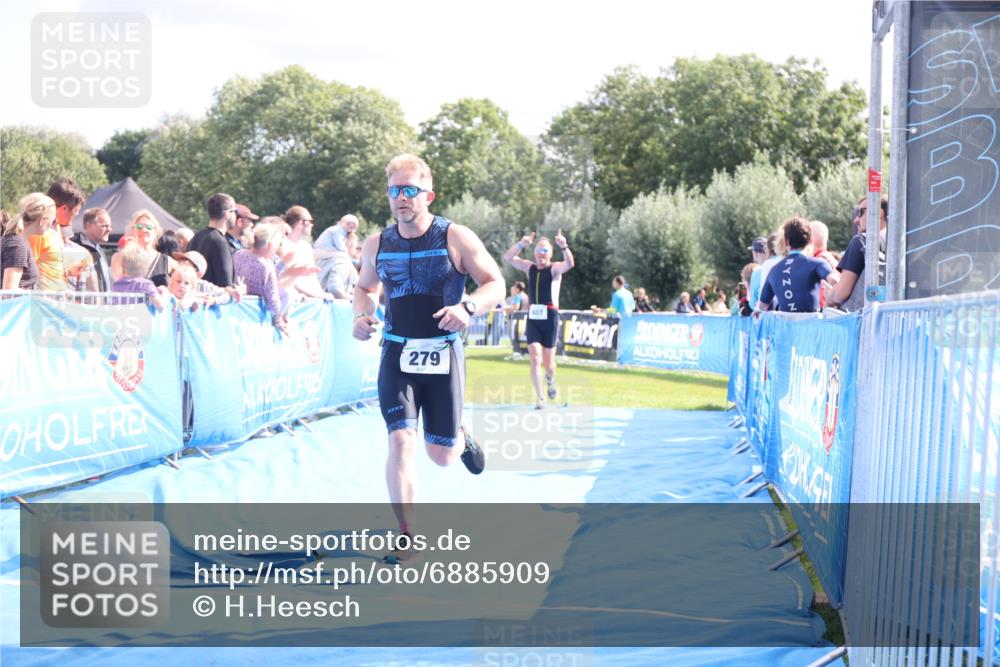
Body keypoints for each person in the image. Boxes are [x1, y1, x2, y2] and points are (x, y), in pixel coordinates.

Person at [352, 154, 504, 559]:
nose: (401, 198)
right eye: (394, 190)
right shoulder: (376, 243)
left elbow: (496, 283)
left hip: (443, 354)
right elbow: (364, 288)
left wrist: (468, 308)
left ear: (428, 195)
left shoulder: (455, 237)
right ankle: (407, 536)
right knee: (401, 442)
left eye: (409, 190)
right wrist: (361, 316)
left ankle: (460, 433)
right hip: (396, 354)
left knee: (441, 456)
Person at [503, 229, 574, 409]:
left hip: (550, 317)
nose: (541, 254)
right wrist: (521, 243)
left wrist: (564, 246)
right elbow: (508, 258)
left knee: (549, 364)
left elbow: (570, 263)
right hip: (533, 317)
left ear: (550, 254)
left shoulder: (555, 268)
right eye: (538, 250)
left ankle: (550, 379)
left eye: (545, 251)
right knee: (535, 357)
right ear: (534, 253)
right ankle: (541, 398)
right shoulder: (530, 267)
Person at [758, 216, 838, 313]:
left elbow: (762, 306)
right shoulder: (817, 263)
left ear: (786, 242)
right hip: (811, 325)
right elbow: (834, 280)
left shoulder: (774, 270)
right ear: (810, 241)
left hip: (786, 326)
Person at [828, 195, 887, 312]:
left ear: (879, 213)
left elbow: (841, 294)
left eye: (861, 212)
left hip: (862, 323)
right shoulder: (902, 246)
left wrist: (829, 294)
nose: (856, 220)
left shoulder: (860, 242)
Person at [233, 222, 289, 335]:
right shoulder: (266, 266)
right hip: (255, 319)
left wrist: (282, 263)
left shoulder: (238, 254)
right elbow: (272, 298)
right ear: (270, 245)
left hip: (236, 311)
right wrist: (278, 320)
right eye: (278, 244)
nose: (278, 248)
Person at [111, 210, 175, 288]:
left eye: (149, 227)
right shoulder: (120, 257)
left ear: (155, 232)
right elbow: (118, 281)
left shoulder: (168, 261)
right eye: (139, 227)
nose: (144, 230)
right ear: (133, 230)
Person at [188, 193, 237, 287]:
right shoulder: (219, 242)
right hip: (212, 300)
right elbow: (226, 285)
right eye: (235, 211)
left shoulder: (196, 237)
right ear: (227, 214)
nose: (236, 215)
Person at [2, 198, 48, 290]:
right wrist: (38, 296)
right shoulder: (17, 244)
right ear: (43, 220)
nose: (52, 225)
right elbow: (9, 291)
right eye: (53, 221)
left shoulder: (17, 241)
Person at [111, 243, 169, 311]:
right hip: (140, 319)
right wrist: (165, 293)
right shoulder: (145, 285)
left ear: (123, 266)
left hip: (121, 319)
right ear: (145, 266)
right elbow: (161, 306)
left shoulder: (116, 285)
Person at [72, 207, 113, 292]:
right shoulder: (78, 248)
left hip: (102, 304)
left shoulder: (99, 249)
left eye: (110, 226)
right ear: (88, 225)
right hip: (87, 303)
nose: (109, 230)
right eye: (104, 226)